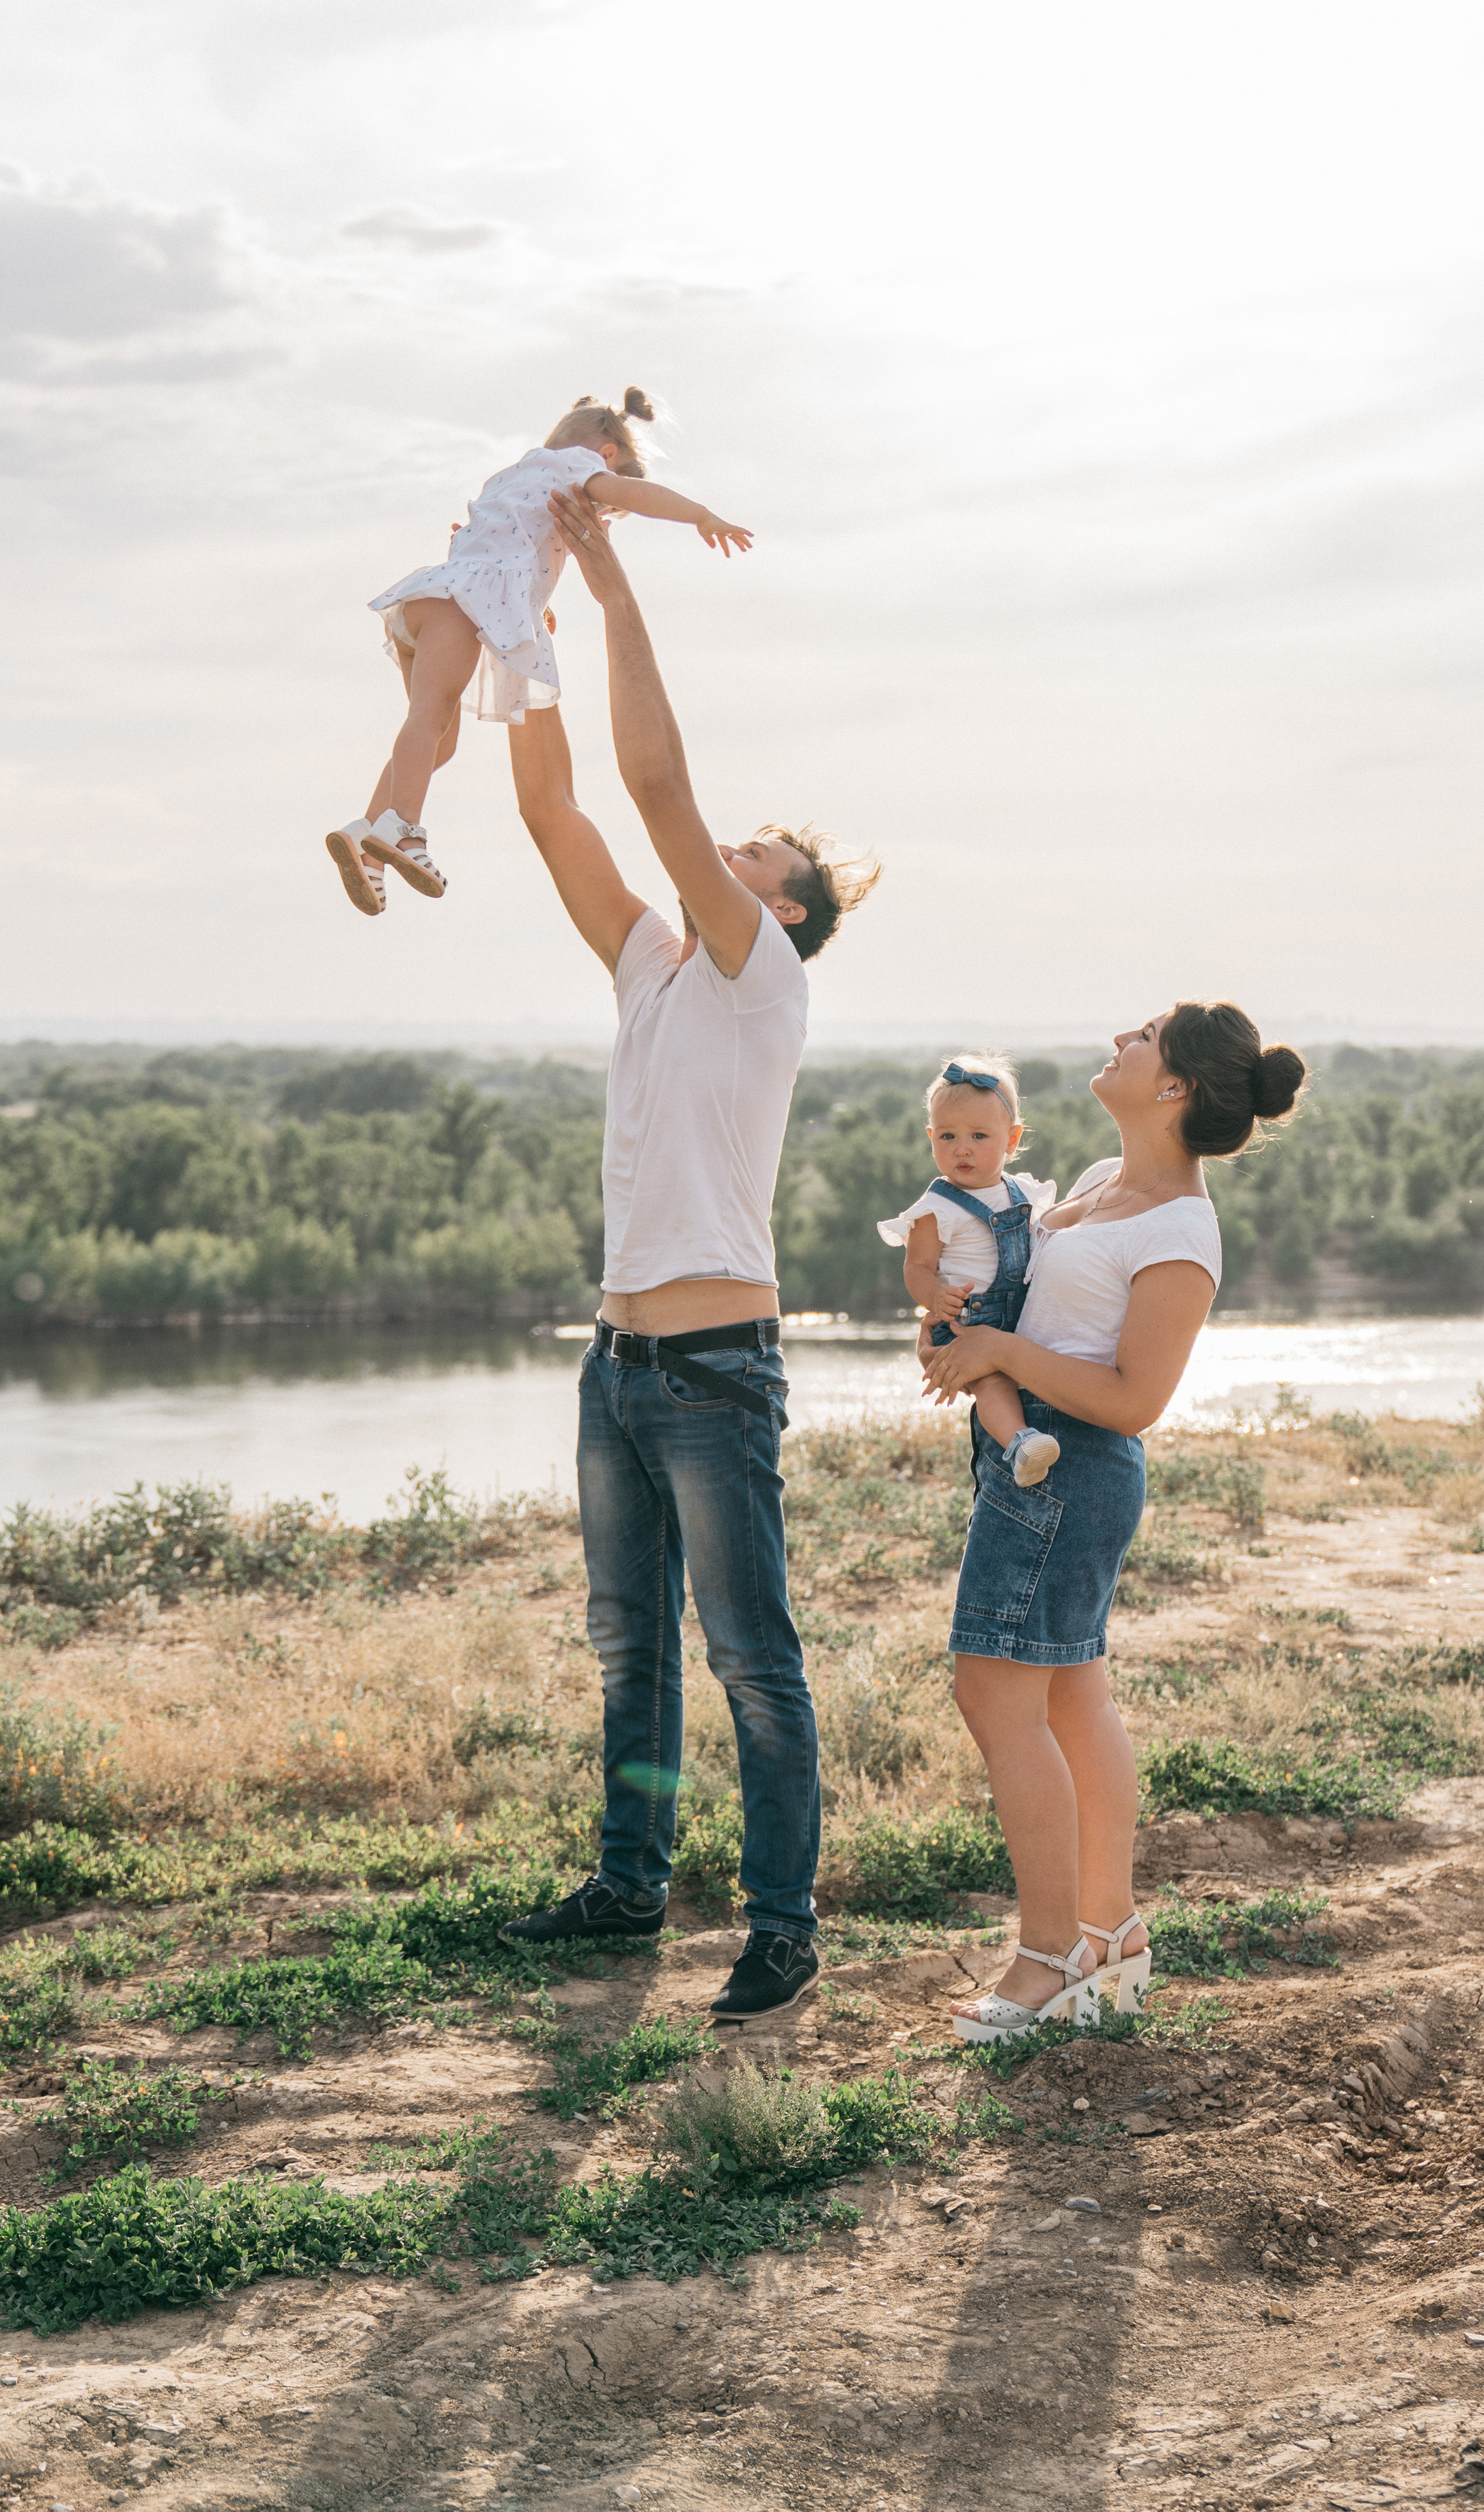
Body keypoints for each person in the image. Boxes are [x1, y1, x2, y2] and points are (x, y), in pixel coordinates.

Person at [499, 484, 879, 2024]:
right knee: (626, 1649)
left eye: (748, 853)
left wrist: (605, 586)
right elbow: (556, 812)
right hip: (618, 1362)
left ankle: (783, 1928)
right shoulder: (656, 964)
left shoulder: (755, 971)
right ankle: (626, 1885)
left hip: (718, 1369)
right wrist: (507, 632)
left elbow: (651, 781)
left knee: (749, 1658)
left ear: (779, 904)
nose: (721, 852)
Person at [921, 1003, 1305, 2043]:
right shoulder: (1097, 1179)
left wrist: (999, 1355)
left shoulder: (1182, 1230)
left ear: (1173, 1086)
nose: (1122, 1037)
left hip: (1073, 1471)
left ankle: (1047, 1958)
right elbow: (1034, 1310)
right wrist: (963, 1329)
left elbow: (1136, 1398)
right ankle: (1113, 1936)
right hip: (1027, 1454)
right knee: (1072, 1699)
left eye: (1145, 1034)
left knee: (997, 1693)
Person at [326, 389, 753, 915]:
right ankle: (403, 830)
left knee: (439, 738)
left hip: (430, 604)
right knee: (430, 715)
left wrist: (529, 607)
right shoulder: (579, 465)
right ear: (607, 454)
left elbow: (508, 545)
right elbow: (640, 495)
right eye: (607, 505)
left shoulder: (515, 472)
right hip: (458, 606)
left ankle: (365, 832)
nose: (604, 513)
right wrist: (702, 515)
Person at [877, 1054, 1061, 1485]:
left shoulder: (1024, 1191)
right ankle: (1020, 1445)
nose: (962, 1147)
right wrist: (934, 1297)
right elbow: (917, 1267)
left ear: (1012, 1140)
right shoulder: (937, 1209)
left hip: (1019, 1316)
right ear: (931, 1138)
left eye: (980, 1135)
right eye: (948, 1136)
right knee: (992, 1381)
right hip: (967, 1320)